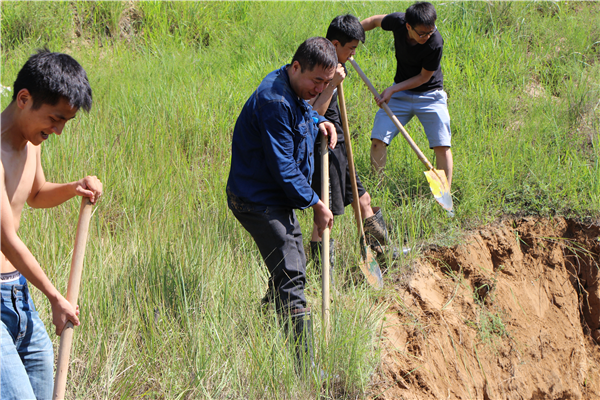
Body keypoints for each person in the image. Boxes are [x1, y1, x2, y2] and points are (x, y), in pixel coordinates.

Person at [226, 37, 337, 371]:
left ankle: (259, 324)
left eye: (327, 83)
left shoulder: (293, 89)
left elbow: (302, 112)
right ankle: (308, 371)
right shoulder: (274, 100)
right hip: (256, 199)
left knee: (290, 265)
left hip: (272, 196)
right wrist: (316, 203)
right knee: (292, 273)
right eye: (316, 80)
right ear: (296, 67)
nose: (319, 89)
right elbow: (283, 166)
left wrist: (318, 121)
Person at [1, 49, 103, 399]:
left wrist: (74, 188)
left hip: (17, 296)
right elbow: (6, 239)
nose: (58, 131)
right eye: (55, 118)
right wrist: (55, 296)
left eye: (65, 123)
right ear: (24, 99)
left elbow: (36, 193)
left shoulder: (32, 143)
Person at [309, 14, 404, 275]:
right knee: (325, 215)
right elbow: (312, 113)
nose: (352, 55)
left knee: (363, 199)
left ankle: (382, 253)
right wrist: (332, 85)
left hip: (341, 145)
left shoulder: (337, 64)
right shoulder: (318, 68)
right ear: (335, 43)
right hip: (324, 148)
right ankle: (321, 272)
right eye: (350, 49)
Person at [361, 2, 453, 188]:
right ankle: (377, 187)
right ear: (408, 26)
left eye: (430, 31)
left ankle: (444, 194)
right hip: (401, 94)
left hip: (430, 95)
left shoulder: (435, 42)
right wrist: (350, 33)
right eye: (422, 33)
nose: (427, 36)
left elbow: (423, 77)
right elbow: (373, 21)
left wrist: (392, 89)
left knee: (441, 146)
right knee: (378, 141)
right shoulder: (398, 22)